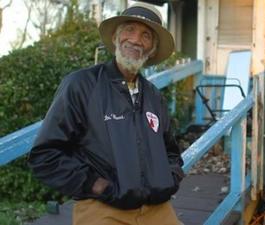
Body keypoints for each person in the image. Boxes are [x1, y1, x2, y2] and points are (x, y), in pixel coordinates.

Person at [28, 2, 184, 225]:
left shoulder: (154, 96)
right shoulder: (82, 85)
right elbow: (46, 155)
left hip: (157, 209)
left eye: (146, 35)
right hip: (103, 208)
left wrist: (169, 178)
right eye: (129, 29)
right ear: (115, 38)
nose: (136, 39)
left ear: (151, 50)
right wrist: (97, 185)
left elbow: (171, 151)